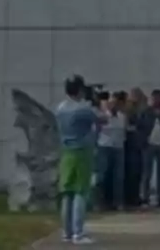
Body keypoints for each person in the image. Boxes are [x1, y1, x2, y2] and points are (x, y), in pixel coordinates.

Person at [56, 75, 104, 245]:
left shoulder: (60, 108)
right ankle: (78, 233)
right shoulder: (83, 109)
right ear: (80, 90)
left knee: (67, 192)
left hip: (66, 151)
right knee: (80, 191)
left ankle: (67, 232)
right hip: (82, 151)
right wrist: (95, 101)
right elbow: (101, 119)